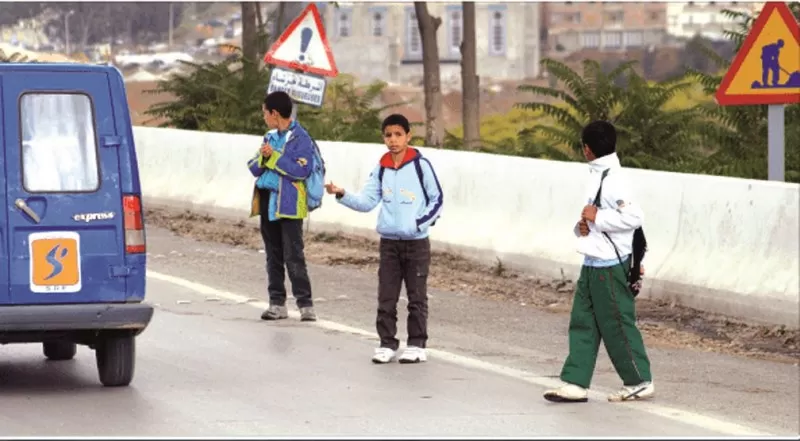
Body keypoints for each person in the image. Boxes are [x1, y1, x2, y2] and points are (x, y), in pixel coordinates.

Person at [543, 120, 653, 403]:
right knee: (583, 322)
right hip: (592, 262)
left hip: (610, 266)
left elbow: (634, 217)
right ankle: (575, 383)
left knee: (616, 324)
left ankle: (639, 380)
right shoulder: (598, 175)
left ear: (587, 149)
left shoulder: (614, 179)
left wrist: (597, 218)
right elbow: (592, 217)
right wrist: (582, 227)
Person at [324, 114, 444, 364]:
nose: (393, 140)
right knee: (386, 296)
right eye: (388, 135)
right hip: (389, 243)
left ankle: (416, 344)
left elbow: (437, 199)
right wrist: (342, 194)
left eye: (398, 134)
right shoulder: (381, 168)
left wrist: (418, 223)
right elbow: (367, 201)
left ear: (408, 136)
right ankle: (387, 343)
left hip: (416, 243)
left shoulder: (421, 165)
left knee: (416, 296)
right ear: (383, 138)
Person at [247, 91, 317, 322]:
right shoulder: (269, 136)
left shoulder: (301, 138)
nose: (264, 117)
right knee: (273, 254)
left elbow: (300, 171)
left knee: (293, 254)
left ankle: (305, 304)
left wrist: (274, 157)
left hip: (289, 203)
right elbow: (254, 167)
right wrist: (264, 157)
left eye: (265, 113)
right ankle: (276, 303)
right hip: (268, 199)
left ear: (275, 113)